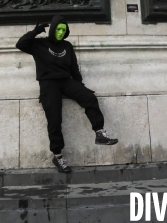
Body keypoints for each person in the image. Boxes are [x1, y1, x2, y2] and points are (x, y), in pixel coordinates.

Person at [16, 15, 118, 173]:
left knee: (89, 97)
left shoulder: (67, 46)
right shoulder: (40, 44)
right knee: (54, 119)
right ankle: (57, 156)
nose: (60, 32)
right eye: (58, 29)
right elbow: (20, 44)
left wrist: (80, 86)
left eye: (63, 30)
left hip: (66, 81)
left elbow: (74, 69)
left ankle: (99, 133)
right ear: (53, 29)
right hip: (48, 83)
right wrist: (35, 31)